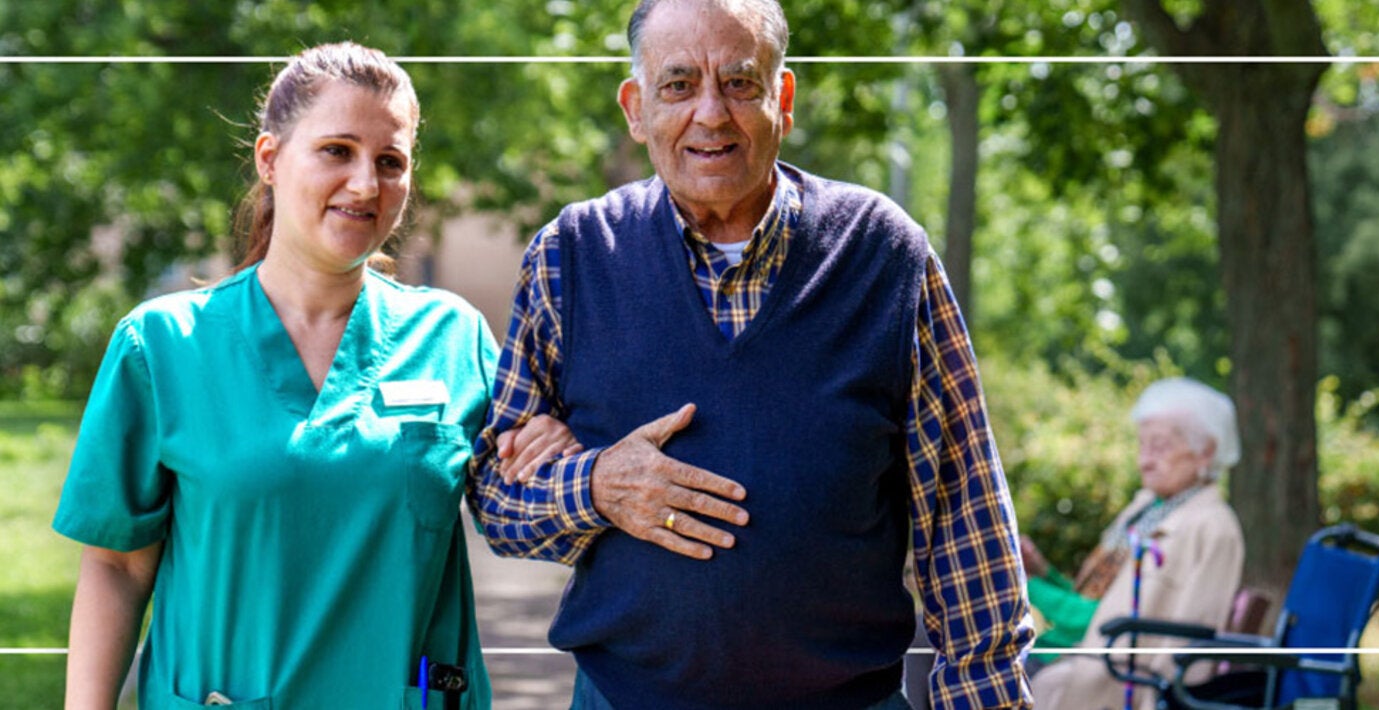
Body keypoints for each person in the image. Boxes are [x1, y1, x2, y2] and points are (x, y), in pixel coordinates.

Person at [469, 1, 1035, 708]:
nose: (711, 114)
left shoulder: (884, 255)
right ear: (636, 108)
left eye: (739, 83)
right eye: (678, 86)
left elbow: (964, 516)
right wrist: (595, 486)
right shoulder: (571, 256)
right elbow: (496, 499)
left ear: (782, 98)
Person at [53, 42, 577, 708]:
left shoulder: (452, 336)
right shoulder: (161, 347)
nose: (365, 183)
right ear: (269, 159)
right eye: (337, 150)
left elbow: (521, 498)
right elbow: (116, 563)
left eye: (391, 161)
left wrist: (557, 453)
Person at [1026, 377, 1245, 710]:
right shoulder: (1147, 508)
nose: (1144, 461)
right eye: (1141, 445)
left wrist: (1017, 584)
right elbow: (1099, 598)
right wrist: (1043, 573)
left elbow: (1104, 622)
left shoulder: (1211, 527)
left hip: (1111, 678)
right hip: (1073, 655)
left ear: (1207, 452)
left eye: (1159, 447)